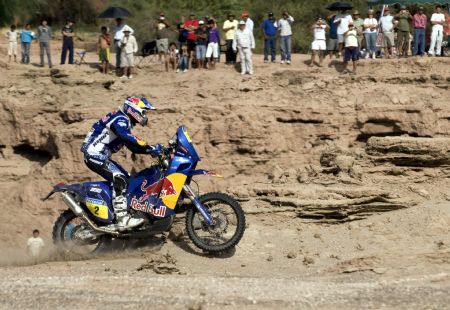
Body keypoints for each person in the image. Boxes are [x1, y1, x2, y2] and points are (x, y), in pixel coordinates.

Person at [81, 96, 162, 231]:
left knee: (129, 180)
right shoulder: (120, 119)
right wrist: (148, 146)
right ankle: (122, 219)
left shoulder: (124, 122)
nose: (144, 116)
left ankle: (122, 212)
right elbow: (125, 136)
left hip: (101, 156)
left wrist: (151, 150)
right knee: (120, 178)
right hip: (94, 154)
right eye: (143, 111)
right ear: (134, 109)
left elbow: (132, 147)